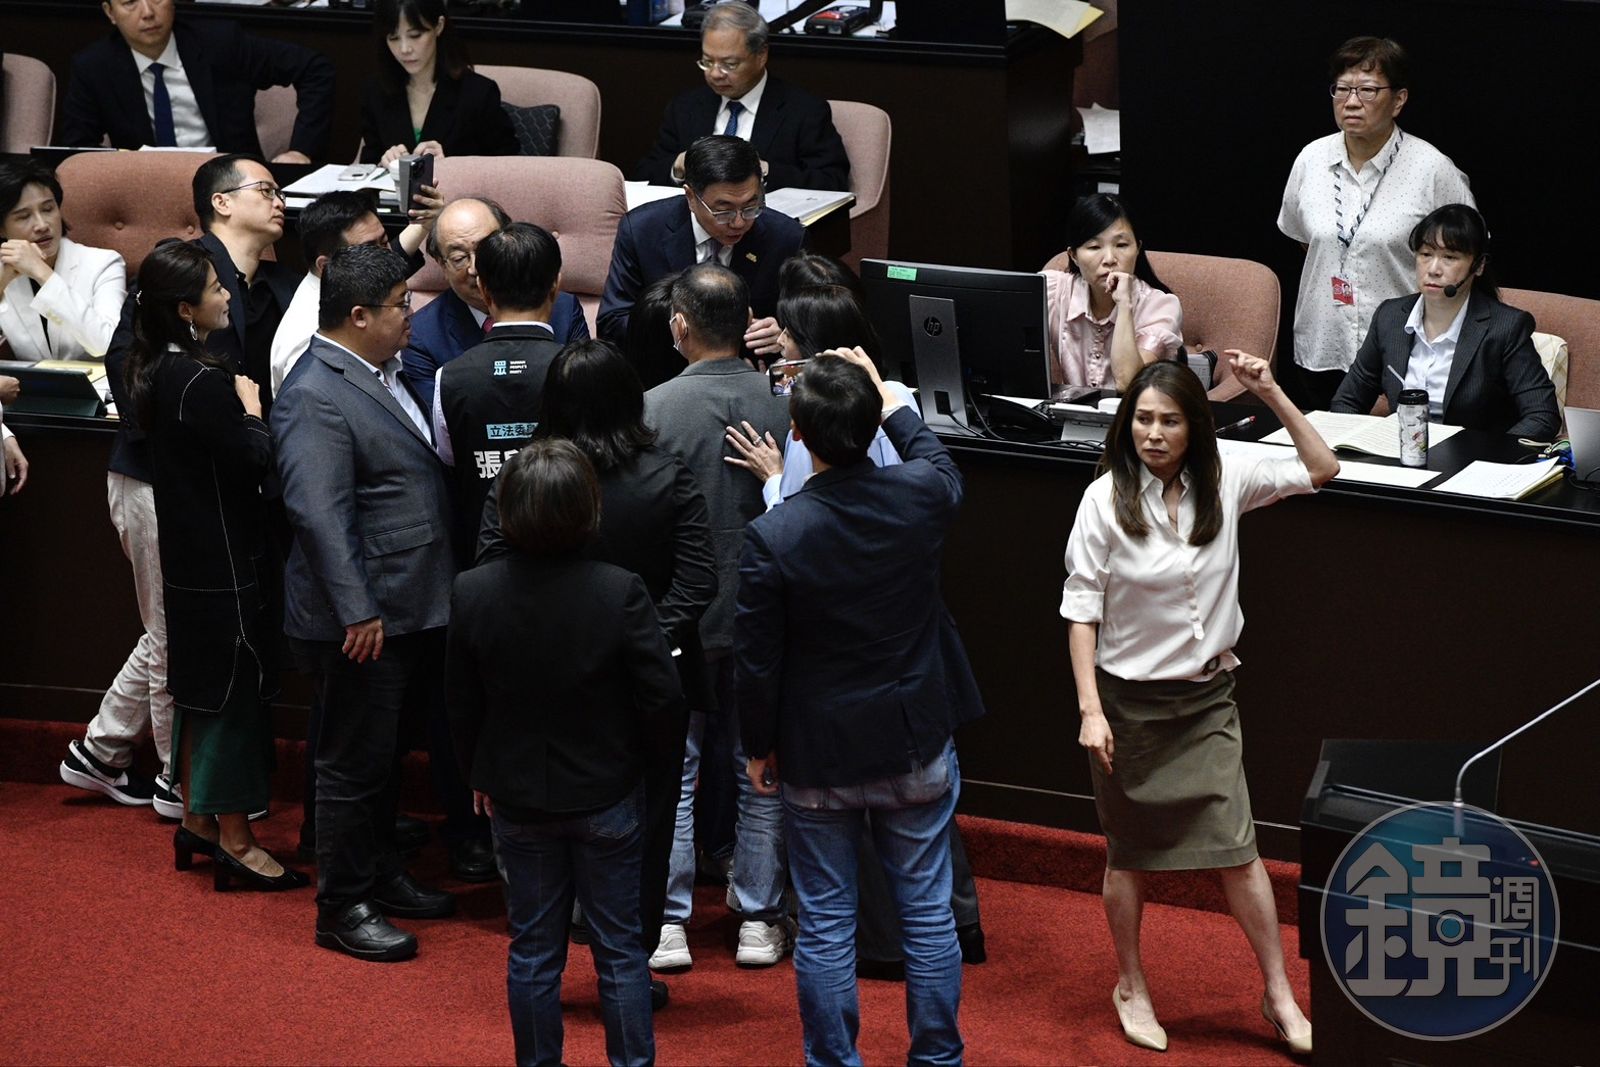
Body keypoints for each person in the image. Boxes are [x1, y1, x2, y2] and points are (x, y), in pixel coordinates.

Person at [1061, 357, 1336, 1056]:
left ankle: (1279, 994)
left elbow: (1322, 467)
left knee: (1240, 853)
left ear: (1196, 428)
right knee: (1129, 855)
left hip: (1207, 701)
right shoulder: (1103, 500)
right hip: (1129, 708)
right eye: (1142, 419)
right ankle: (1131, 984)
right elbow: (1081, 612)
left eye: (1169, 421)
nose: (1152, 434)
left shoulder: (1227, 474)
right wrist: (1091, 710)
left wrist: (1269, 391)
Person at [737, 350, 985, 1065]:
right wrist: (890, 399)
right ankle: (937, 1057)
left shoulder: (774, 534)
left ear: (797, 433)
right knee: (928, 914)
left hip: (818, 754)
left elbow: (758, 662)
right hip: (912, 741)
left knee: (825, 923)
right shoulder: (919, 495)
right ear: (872, 424)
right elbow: (937, 460)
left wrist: (758, 746)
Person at [479, 340, 716, 1001]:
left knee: (535, 824)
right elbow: (699, 579)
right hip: (651, 686)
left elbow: (490, 566)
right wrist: (640, 640)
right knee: (651, 826)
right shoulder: (667, 474)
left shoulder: (523, 475)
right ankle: (627, 969)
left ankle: (541, 962)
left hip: (540, 678)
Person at [60, 153, 295, 819]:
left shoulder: (266, 285)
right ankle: (178, 780)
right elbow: (124, 358)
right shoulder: (181, 266)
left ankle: (101, 750)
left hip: (211, 485)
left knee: (170, 624)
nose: (281, 200)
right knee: (177, 632)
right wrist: (176, 434)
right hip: (156, 478)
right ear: (222, 202)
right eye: (266, 188)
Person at [448, 438, 683, 1067]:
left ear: (507, 510)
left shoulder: (473, 591)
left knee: (532, 951)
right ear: (589, 508)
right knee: (621, 951)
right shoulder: (619, 590)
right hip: (608, 792)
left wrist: (478, 771)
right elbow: (663, 699)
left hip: (517, 795)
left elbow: (461, 703)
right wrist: (644, 768)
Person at [274, 244, 457, 963]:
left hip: (406, 605)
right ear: (357, 315)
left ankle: (380, 873)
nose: (411, 316)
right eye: (400, 305)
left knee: (382, 759)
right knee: (353, 764)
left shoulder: (379, 370)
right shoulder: (314, 392)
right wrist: (357, 609)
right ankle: (342, 905)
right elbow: (319, 513)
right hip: (362, 620)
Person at [120, 240, 305, 891]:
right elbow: (251, 459)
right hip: (225, 561)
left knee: (201, 689)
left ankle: (199, 819)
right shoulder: (200, 380)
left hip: (191, 557)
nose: (227, 295)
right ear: (184, 308)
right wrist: (253, 410)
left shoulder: (156, 368)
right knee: (232, 694)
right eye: (215, 288)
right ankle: (237, 840)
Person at [641, 263, 793, 972]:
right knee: (761, 767)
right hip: (768, 619)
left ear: (680, 326)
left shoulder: (651, 409)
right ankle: (758, 919)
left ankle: (667, 922)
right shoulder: (788, 404)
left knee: (674, 772)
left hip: (680, 621)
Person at [1278, 36, 1474, 409]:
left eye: (1367, 90)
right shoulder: (1310, 159)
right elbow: (1305, 240)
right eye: (1342, 89)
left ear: (1398, 100)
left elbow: (1468, 255)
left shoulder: (1432, 169)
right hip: (1322, 343)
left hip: (1404, 351)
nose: (1351, 102)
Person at [1330, 204, 1560, 438]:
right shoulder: (1390, 317)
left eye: (1449, 257)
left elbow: (1542, 416)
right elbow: (1347, 402)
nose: (1433, 269)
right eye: (1425, 254)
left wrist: (1489, 454)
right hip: (1399, 451)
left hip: (1472, 456)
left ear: (1478, 265)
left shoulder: (1506, 327)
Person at [600, 135, 805, 359]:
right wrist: (686, 332)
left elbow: (812, 325)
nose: (739, 222)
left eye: (750, 207)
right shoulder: (642, 231)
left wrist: (786, 335)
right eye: (723, 211)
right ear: (690, 196)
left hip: (751, 369)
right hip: (666, 370)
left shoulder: (786, 238)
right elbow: (612, 322)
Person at [62, 0, 334, 162]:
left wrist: (301, 150)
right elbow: (78, 148)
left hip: (231, 183)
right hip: (146, 191)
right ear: (110, 12)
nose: (147, 12)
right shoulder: (94, 67)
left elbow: (315, 68)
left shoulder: (220, 43)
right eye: (130, 2)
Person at [435, 222, 566, 559]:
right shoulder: (581, 367)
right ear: (556, 284)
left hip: (482, 556)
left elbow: (451, 461)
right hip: (570, 548)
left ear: (484, 290)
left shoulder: (448, 377)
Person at [632, 1, 849, 193]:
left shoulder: (803, 110)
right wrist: (678, 167)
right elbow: (644, 173)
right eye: (707, 62)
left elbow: (832, 181)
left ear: (761, 55)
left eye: (730, 64)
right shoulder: (685, 107)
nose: (715, 73)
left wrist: (764, 171)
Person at [402, 196, 588, 413]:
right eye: (459, 257)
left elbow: (585, 399)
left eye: (485, 249)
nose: (475, 268)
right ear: (442, 266)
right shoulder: (421, 337)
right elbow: (439, 420)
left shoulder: (562, 308)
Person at [270, 186, 442, 396]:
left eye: (384, 243)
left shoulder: (357, 284)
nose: (387, 258)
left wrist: (423, 225)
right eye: (369, 250)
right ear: (326, 266)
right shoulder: (308, 340)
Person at [1042, 193, 1183, 393]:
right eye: (1094, 247)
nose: (1109, 259)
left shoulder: (1160, 306)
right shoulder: (1053, 290)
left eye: (1121, 245)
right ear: (1073, 255)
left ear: (1138, 248)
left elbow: (1129, 383)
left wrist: (1125, 306)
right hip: (1071, 411)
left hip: (1134, 411)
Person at [359, 0, 518, 166]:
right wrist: (383, 163)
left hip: (459, 183)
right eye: (393, 38)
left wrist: (449, 164)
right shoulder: (375, 92)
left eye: (415, 35)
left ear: (439, 26)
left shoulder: (478, 93)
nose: (404, 49)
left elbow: (508, 164)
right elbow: (368, 162)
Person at [0, 158, 126, 363]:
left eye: (48, 209)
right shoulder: (2, 269)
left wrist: (43, 274)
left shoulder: (103, 264)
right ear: (2, 229)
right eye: (24, 216)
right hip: (26, 383)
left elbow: (106, 343)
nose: (42, 225)